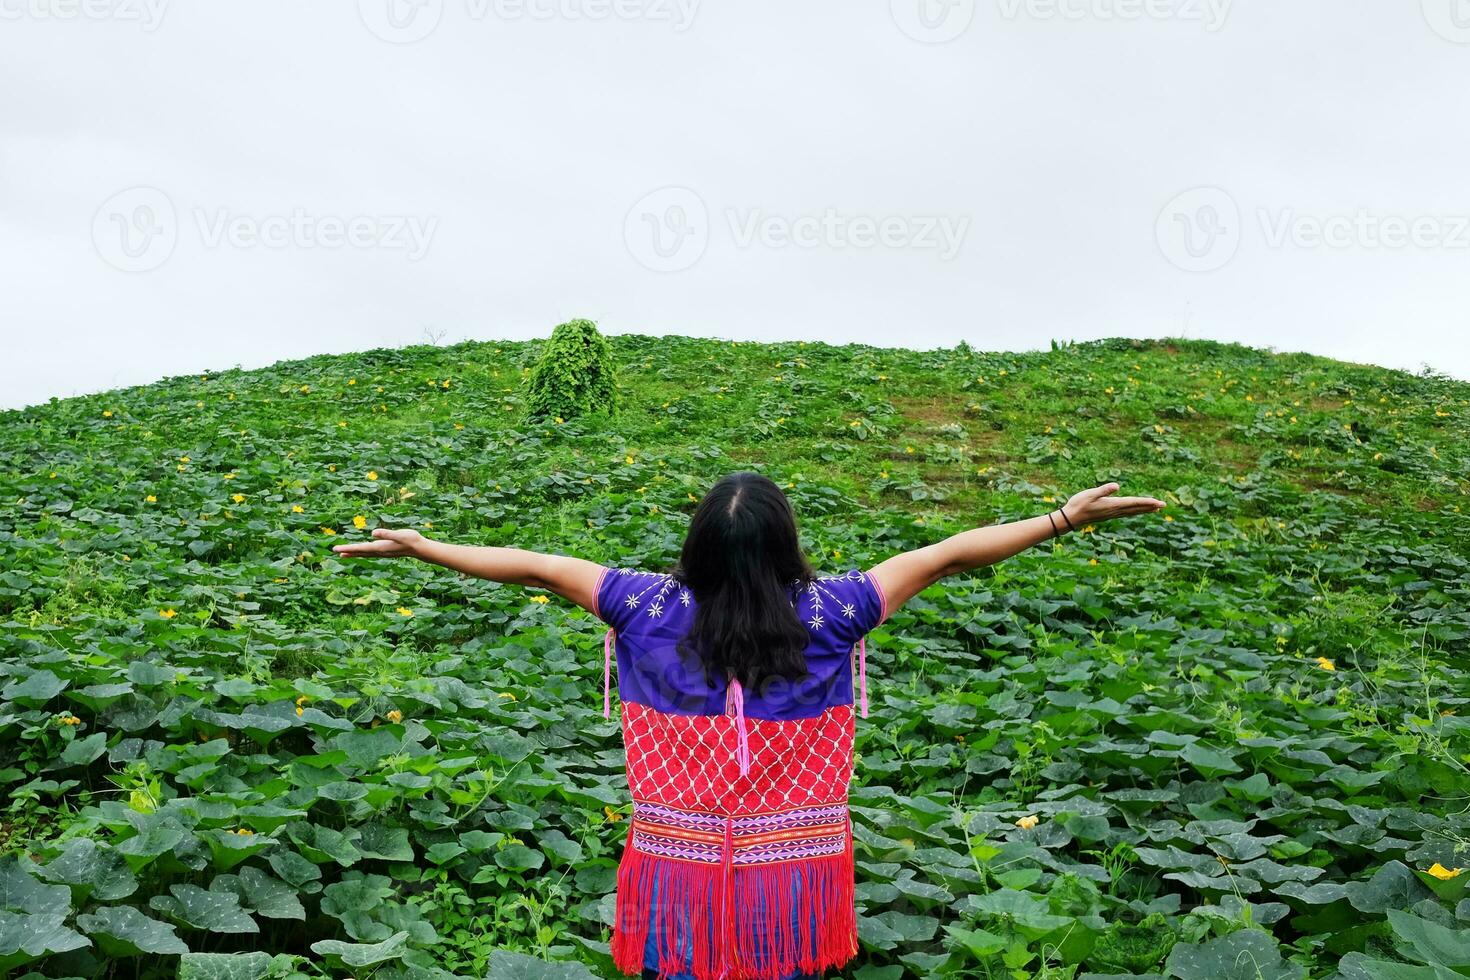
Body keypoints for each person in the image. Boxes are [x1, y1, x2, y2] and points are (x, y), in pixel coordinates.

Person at [333, 472, 1165, 979]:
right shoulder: (835, 610)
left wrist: (423, 546)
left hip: (677, 863)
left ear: (695, 545)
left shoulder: (640, 603)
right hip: (793, 868)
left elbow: (532, 567)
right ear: (787, 544)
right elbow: (947, 552)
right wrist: (1061, 519)